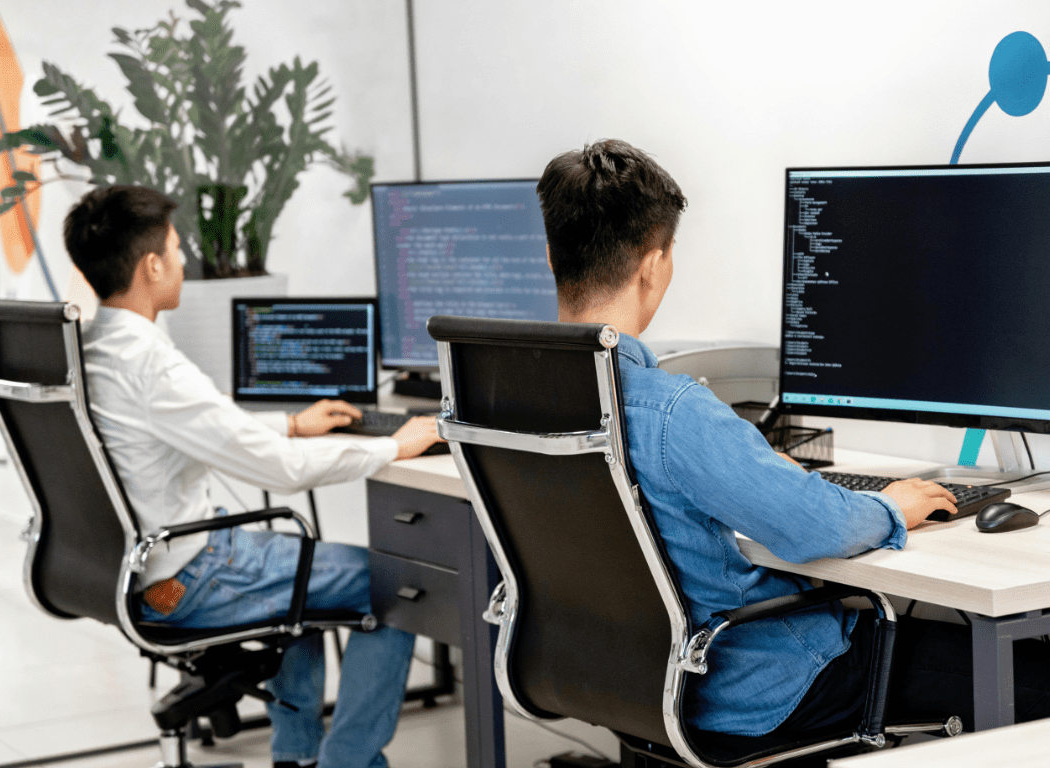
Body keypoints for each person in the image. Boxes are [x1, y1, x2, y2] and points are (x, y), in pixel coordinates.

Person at [534, 139, 1050, 740]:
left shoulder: (513, 400)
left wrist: (758, 467)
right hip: (756, 691)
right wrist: (894, 505)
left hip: (625, 684)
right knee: (1029, 671)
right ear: (655, 265)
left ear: (550, 257)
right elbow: (813, 528)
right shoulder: (672, 412)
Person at [63, 185, 442, 768]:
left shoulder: (92, 349)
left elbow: (202, 425)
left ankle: (297, 756)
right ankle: (350, 762)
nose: (185, 263)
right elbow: (281, 473)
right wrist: (396, 444)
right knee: (394, 582)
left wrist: (290, 422)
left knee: (306, 579)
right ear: (152, 265)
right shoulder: (151, 362)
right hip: (190, 576)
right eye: (175, 249)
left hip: (145, 574)